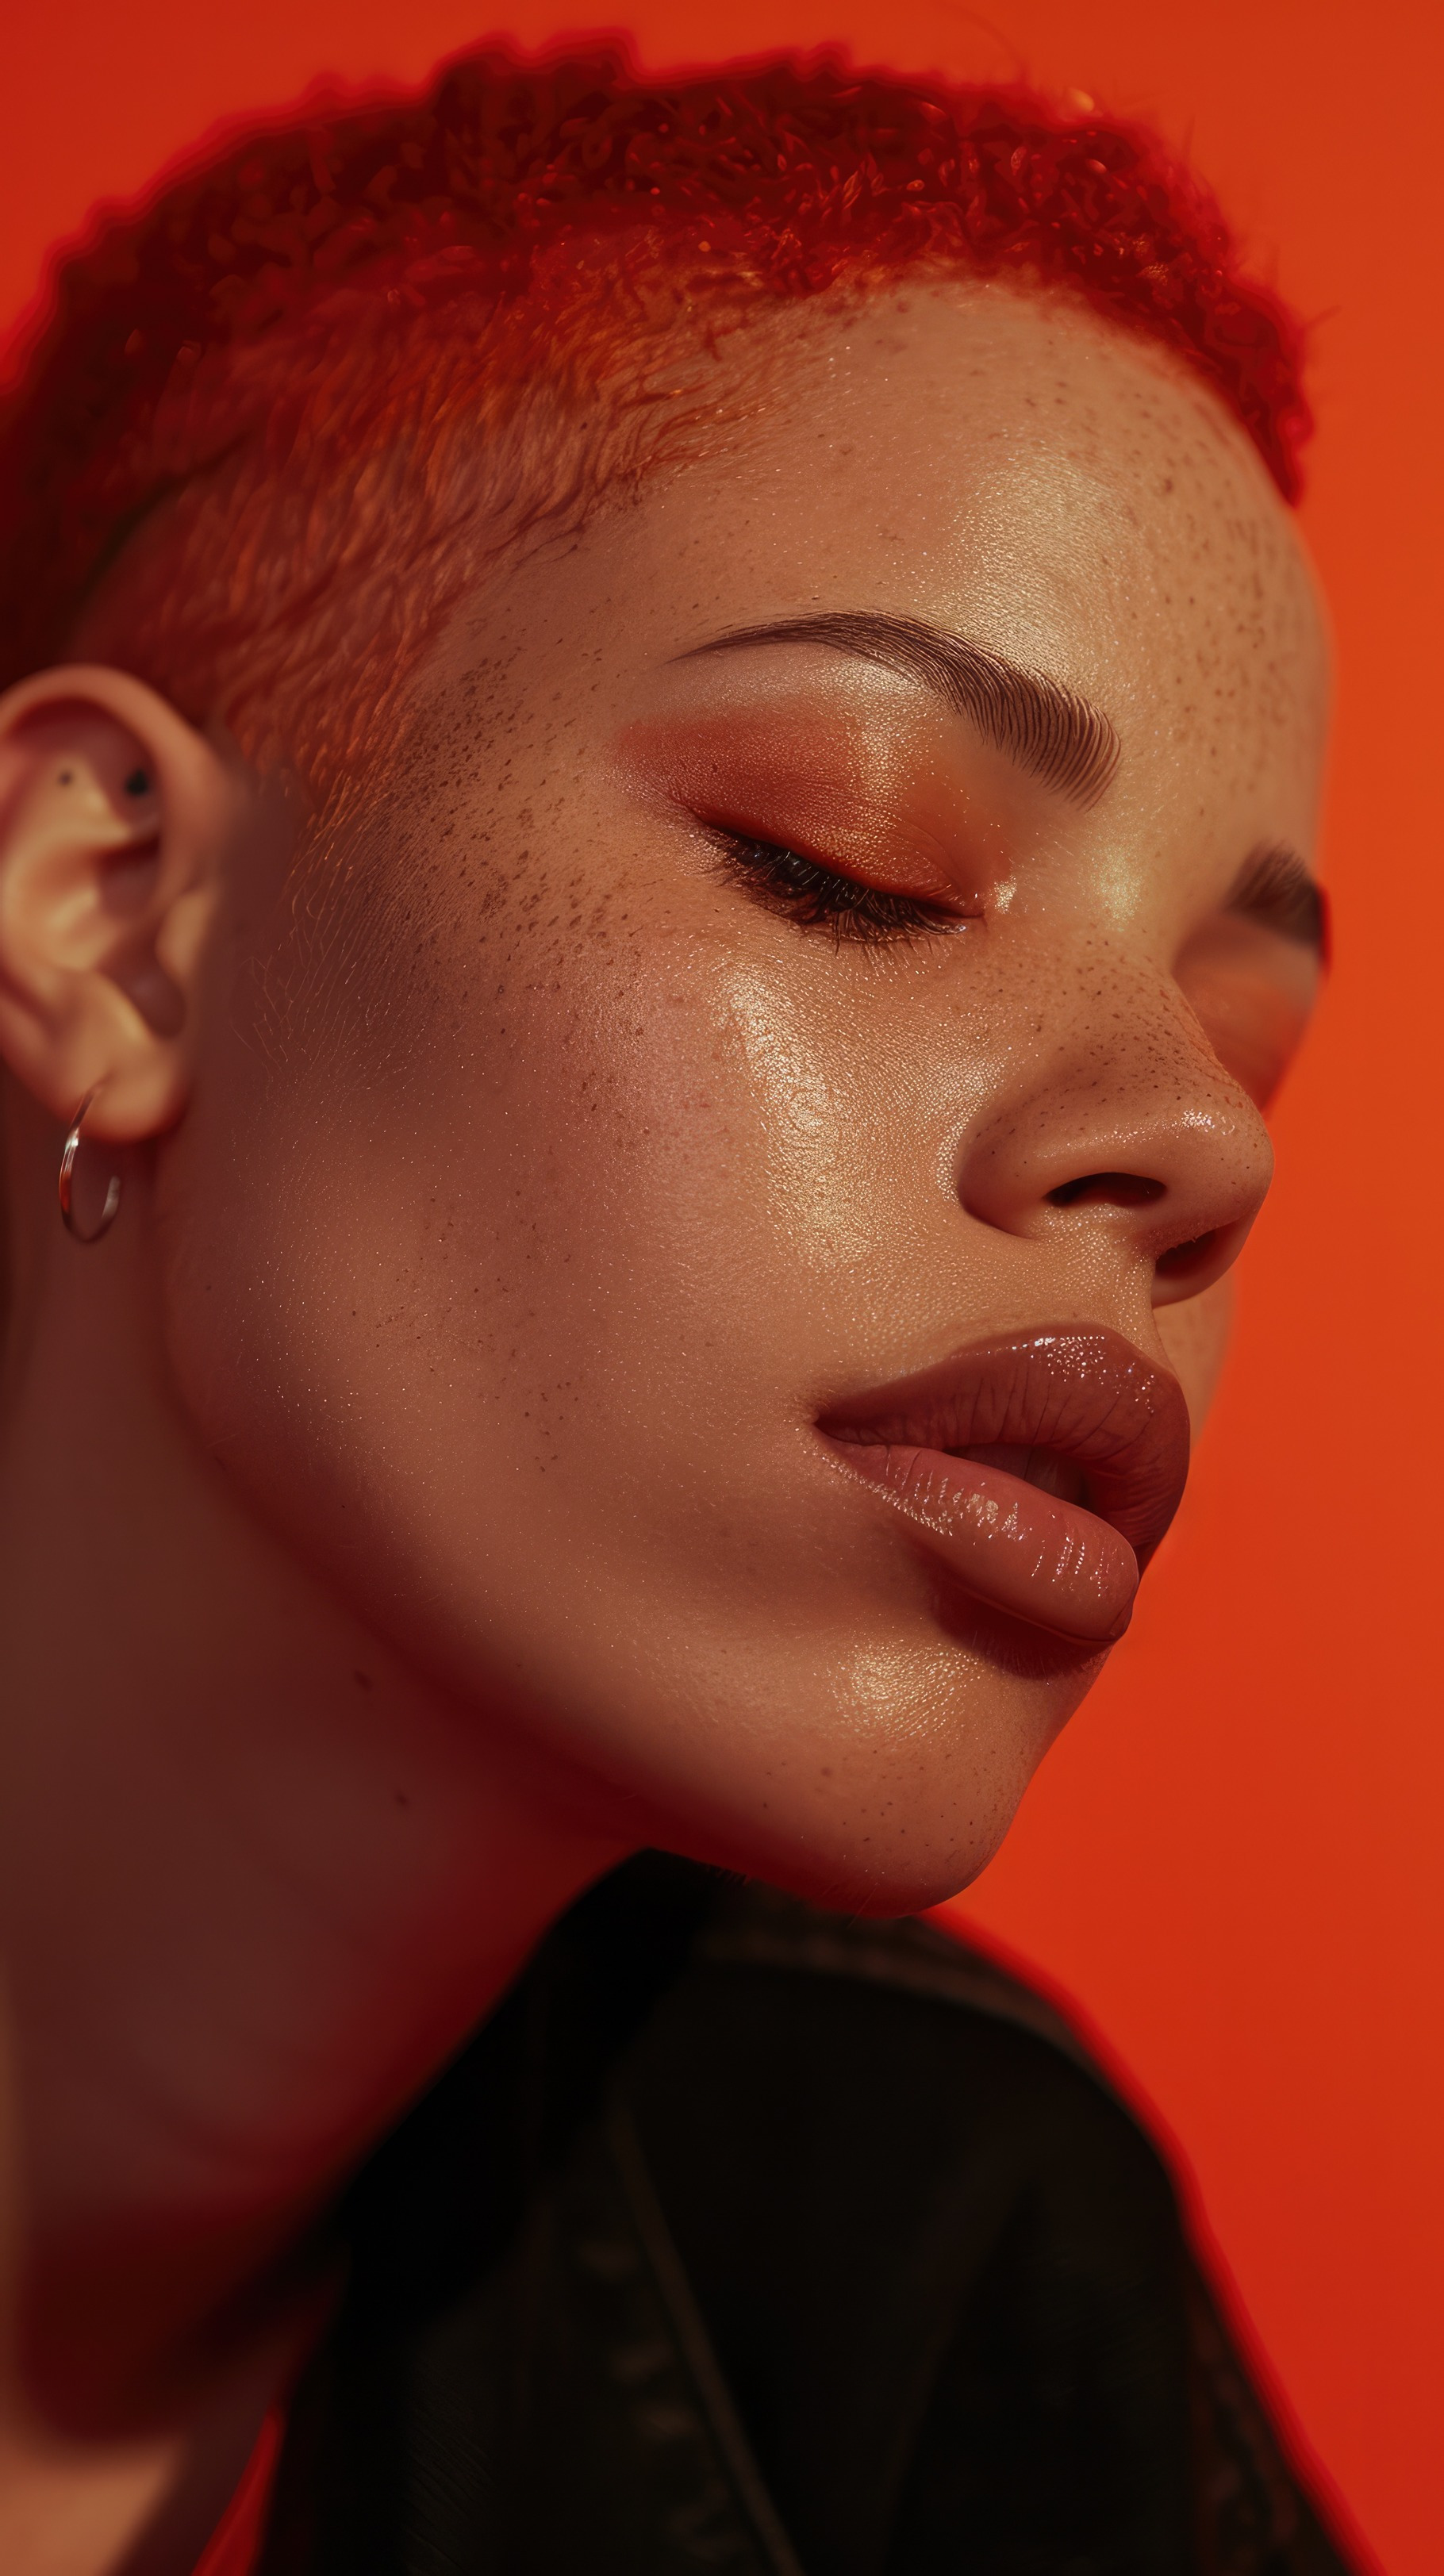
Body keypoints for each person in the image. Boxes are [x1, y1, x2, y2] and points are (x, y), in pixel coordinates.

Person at [0, 38, 1358, 2574]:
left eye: (1242, 1031)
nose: (1200, 1139)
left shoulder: (937, 2274)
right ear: (109, 920)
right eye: (851, 863)